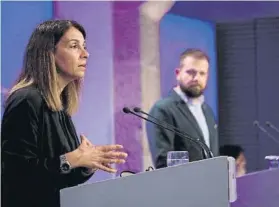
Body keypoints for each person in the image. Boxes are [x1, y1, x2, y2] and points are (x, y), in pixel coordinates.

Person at [1, 20, 127, 207]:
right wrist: (72, 159)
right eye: (74, 46)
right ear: (48, 53)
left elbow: (59, 179)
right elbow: (17, 175)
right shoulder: (26, 100)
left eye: (84, 47)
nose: (85, 54)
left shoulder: (59, 107)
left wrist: (87, 163)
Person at [146, 48, 218, 168]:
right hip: (182, 184)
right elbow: (163, 160)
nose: (196, 78)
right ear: (178, 74)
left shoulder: (207, 112)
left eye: (202, 73)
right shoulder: (164, 109)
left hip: (210, 183)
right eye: (191, 72)